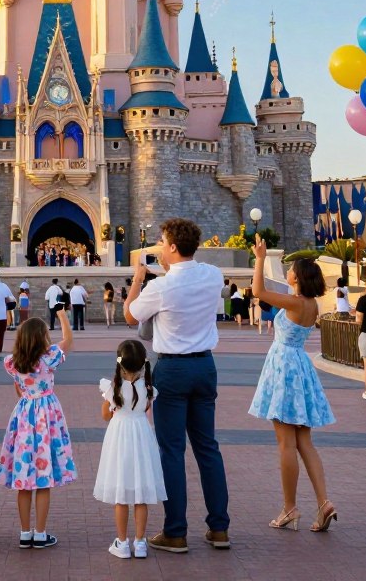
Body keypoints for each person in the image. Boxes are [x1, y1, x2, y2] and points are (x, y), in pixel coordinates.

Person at [124, 218, 230, 554]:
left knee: (171, 451)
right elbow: (188, 281)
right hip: (205, 367)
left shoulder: (159, 288)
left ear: (171, 246)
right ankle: (219, 529)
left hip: (172, 369)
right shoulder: (212, 275)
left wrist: (138, 280)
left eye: (160, 242)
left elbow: (131, 316)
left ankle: (176, 531)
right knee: (207, 448)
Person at [248, 239, 336, 532]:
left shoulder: (296, 303)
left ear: (296, 277)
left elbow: (258, 291)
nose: (288, 272)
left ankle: (289, 507)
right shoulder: (310, 303)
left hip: (284, 368)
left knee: (286, 442)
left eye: (291, 270)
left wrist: (259, 258)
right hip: (299, 366)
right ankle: (324, 502)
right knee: (304, 442)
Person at [0, 312, 76, 549]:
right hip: (46, 416)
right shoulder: (48, 358)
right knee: (43, 479)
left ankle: (24, 532)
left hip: (23, 415)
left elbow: (18, 390)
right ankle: (40, 533)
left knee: (24, 480)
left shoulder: (12, 362)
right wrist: (62, 316)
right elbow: (68, 342)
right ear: (42, 338)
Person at [94, 338, 166, 559]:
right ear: (144, 364)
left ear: (120, 364)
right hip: (142, 436)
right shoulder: (148, 389)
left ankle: (123, 543)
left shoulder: (112, 387)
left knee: (121, 494)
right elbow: (145, 409)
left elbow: (106, 415)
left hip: (120, 437)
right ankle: (140, 542)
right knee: (140, 494)